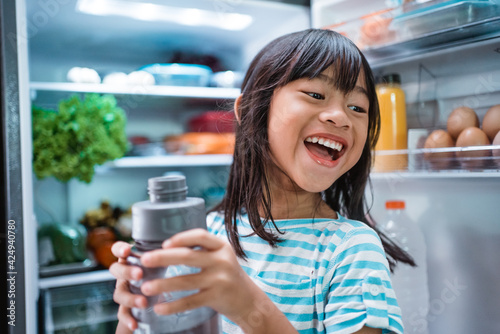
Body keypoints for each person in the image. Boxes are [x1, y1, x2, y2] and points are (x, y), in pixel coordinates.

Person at [110, 28, 415, 334]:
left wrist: (247, 306)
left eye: (357, 108)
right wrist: (136, 315)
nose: (340, 117)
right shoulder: (209, 233)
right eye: (315, 95)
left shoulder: (349, 249)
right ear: (249, 110)